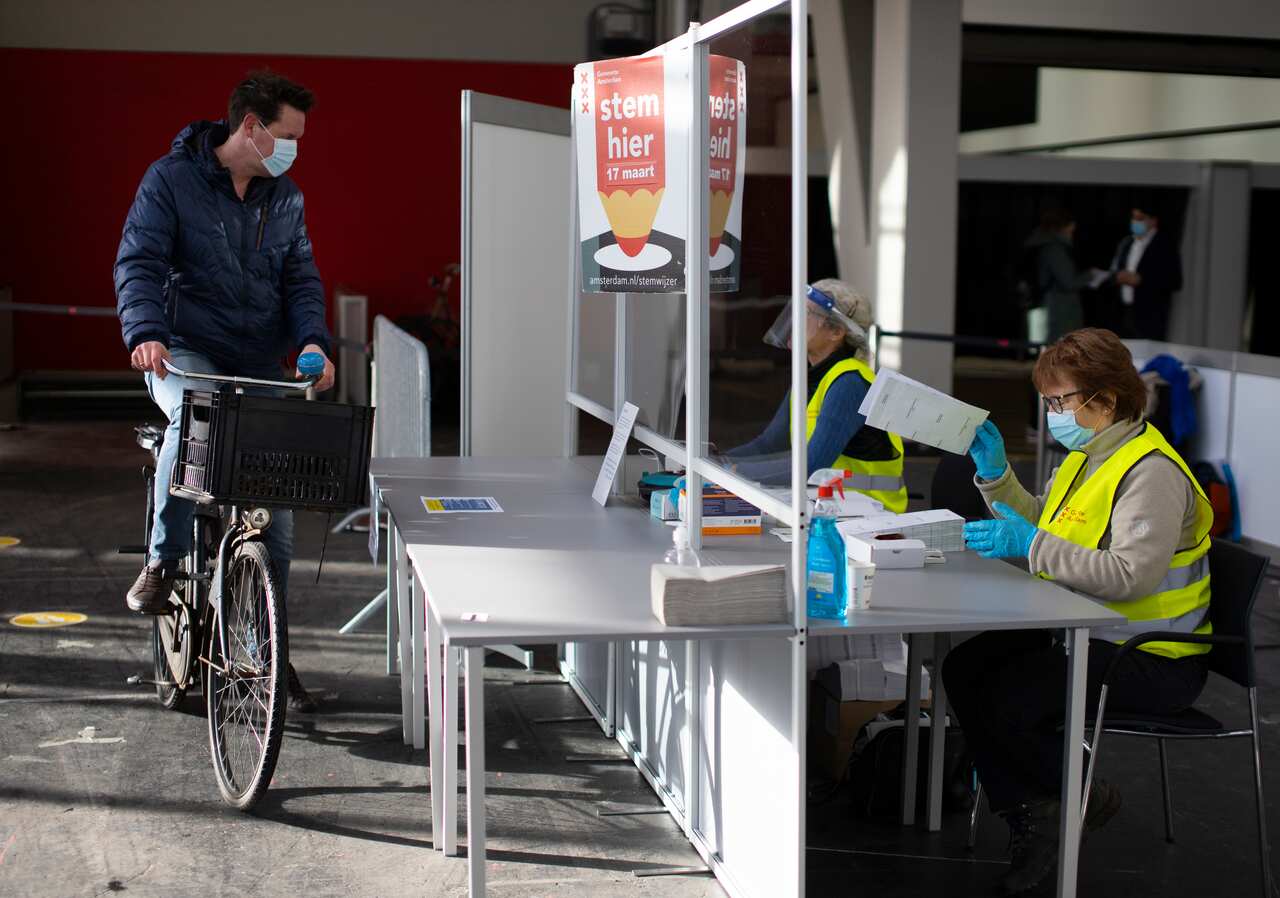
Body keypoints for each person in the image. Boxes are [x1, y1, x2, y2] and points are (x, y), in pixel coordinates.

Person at [942, 328, 1213, 894]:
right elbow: (1045, 522)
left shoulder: (1150, 473)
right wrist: (996, 477)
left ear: (1106, 400)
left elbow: (1129, 574)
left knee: (1010, 697)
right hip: (1087, 632)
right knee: (963, 669)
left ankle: (1058, 807)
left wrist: (1030, 546)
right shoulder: (1088, 456)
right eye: (1047, 401)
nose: (1051, 413)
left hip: (1153, 656)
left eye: (1060, 401)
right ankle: (1054, 804)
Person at [114, 71, 336, 712]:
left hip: (259, 358)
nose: (296, 148)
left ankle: (266, 653)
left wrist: (313, 342)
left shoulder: (285, 196)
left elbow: (301, 279)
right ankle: (162, 563)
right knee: (195, 414)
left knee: (279, 515)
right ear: (251, 126)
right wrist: (147, 332)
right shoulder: (171, 181)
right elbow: (139, 261)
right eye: (289, 135)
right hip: (184, 348)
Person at [724, 279, 907, 513]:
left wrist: (732, 472)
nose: (794, 319)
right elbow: (768, 445)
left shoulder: (849, 383)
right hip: (835, 509)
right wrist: (714, 461)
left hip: (869, 518)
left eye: (807, 313)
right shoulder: (812, 378)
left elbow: (809, 467)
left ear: (836, 332)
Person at [1021, 209, 1105, 343]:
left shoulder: (1042, 244)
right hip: (1059, 310)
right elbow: (1068, 282)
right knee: (1057, 348)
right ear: (1064, 228)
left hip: (1046, 306)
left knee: (1046, 347)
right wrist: (1090, 275)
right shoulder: (1054, 249)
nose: (1072, 235)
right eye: (1071, 231)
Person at [1108, 205, 1183, 340]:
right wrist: (1117, 276)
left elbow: (1174, 280)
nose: (1135, 222)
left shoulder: (1164, 245)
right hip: (1124, 312)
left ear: (1153, 221)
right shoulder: (1127, 242)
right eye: (1134, 217)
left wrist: (1141, 280)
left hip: (1150, 314)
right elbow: (1113, 269)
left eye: (1140, 218)